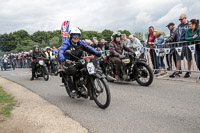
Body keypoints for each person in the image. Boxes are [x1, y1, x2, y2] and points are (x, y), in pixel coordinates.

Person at [59, 27, 101, 96]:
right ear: (71, 36)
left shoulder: (81, 43)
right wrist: (63, 59)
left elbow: (89, 48)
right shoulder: (66, 43)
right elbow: (61, 51)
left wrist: (98, 53)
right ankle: (72, 88)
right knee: (72, 71)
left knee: (86, 68)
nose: (76, 38)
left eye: (78, 36)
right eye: (74, 36)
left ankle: (84, 85)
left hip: (78, 59)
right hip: (68, 61)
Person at [170, 14, 191, 78]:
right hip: (179, 45)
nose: (180, 20)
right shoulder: (179, 26)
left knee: (188, 58)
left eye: (181, 19)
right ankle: (177, 72)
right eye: (179, 19)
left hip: (186, 44)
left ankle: (189, 71)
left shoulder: (189, 24)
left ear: (185, 18)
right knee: (178, 58)